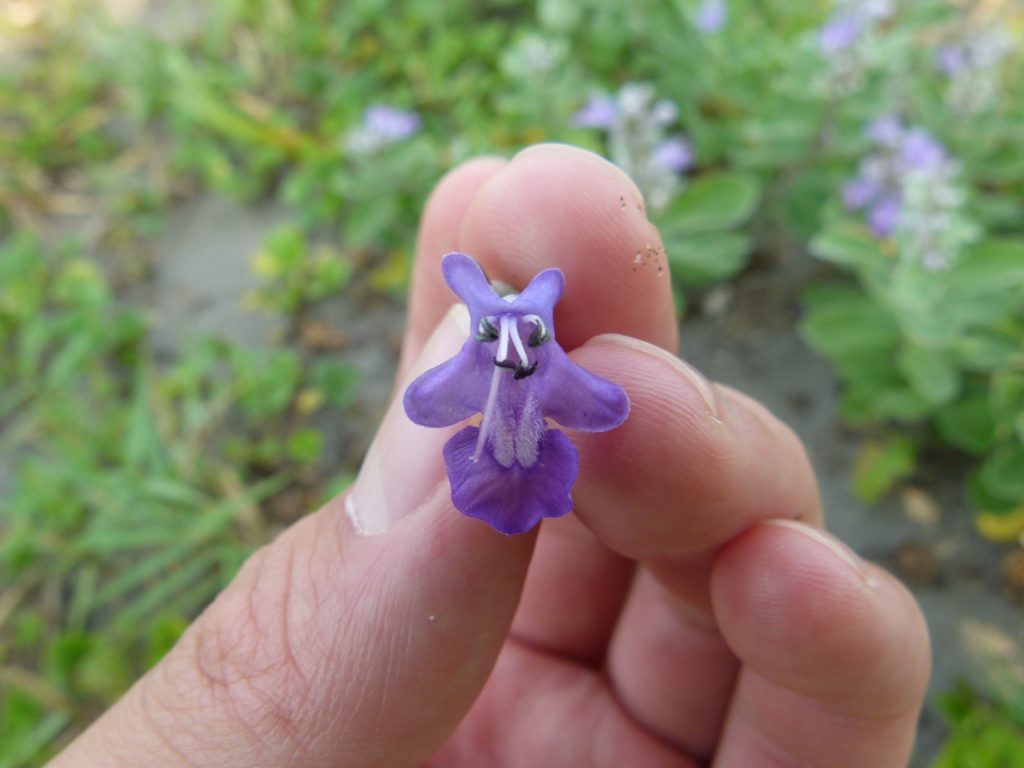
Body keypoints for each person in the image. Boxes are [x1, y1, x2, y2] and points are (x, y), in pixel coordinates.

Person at [50, 145, 930, 767]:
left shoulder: (535, 366)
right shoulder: (477, 368)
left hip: (525, 434)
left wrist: (519, 354)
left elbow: (602, 400)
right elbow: (437, 400)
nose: (510, 354)